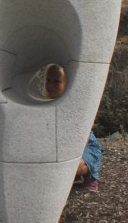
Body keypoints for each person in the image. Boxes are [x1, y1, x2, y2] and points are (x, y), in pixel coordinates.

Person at [37, 63, 102, 192]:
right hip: (59, 146)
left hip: (83, 147)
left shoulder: (75, 105)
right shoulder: (44, 104)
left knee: (68, 167)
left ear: (66, 83)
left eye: (56, 81)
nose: (50, 85)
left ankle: (88, 176)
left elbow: (83, 139)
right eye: (48, 81)